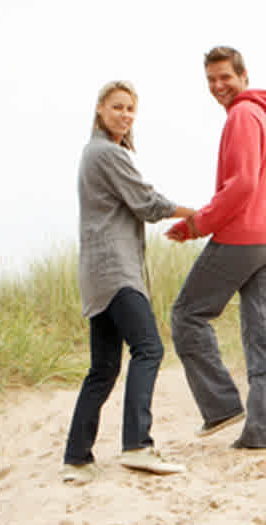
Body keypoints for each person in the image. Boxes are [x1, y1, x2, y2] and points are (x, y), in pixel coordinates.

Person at [61, 81, 194, 481]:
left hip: (96, 275)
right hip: (117, 271)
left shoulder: (93, 153)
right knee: (149, 349)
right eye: (117, 107)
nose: (125, 115)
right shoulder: (107, 153)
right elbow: (146, 202)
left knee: (102, 369)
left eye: (131, 109)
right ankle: (137, 445)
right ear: (100, 109)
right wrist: (198, 215)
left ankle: (77, 459)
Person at [166, 45, 266, 451]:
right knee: (261, 337)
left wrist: (197, 225)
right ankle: (262, 432)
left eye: (225, 77)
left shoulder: (241, 114)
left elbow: (243, 185)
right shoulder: (261, 117)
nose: (218, 86)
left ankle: (221, 406)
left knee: (187, 314)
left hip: (245, 238)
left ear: (243, 77)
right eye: (211, 80)